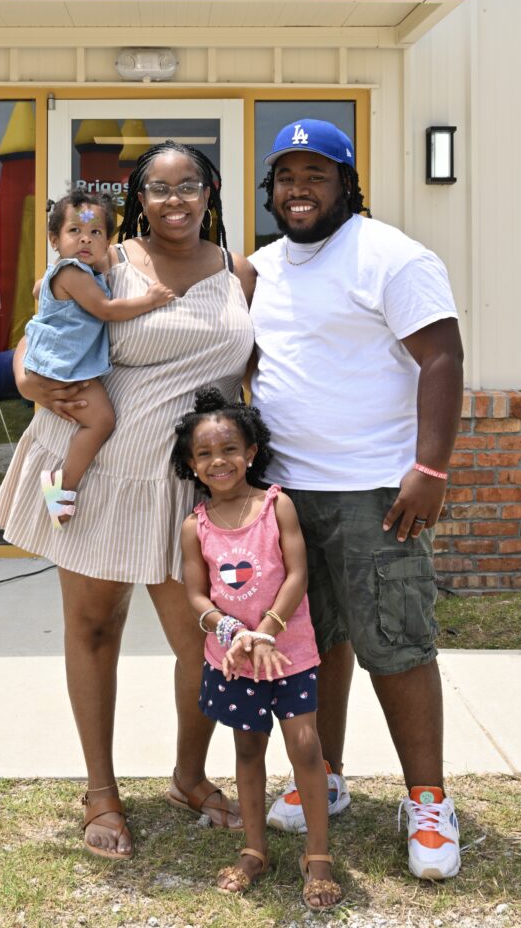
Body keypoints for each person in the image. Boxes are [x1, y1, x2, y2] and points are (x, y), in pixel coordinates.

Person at [0, 141, 255, 859]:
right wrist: (26, 375)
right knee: (95, 627)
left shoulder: (240, 273)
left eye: (188, 185)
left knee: (203, 643)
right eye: (158, 188)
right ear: (139, 198)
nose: (174, 200)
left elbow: (262, 370)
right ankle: (100, 792)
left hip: (187, 488)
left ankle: (189, 777)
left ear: (209, 193)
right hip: (103, 474)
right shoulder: (108, 260)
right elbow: (44, 326)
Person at [249, 118, 465, 882]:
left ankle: (428, 802)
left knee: (396, 644)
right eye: (286, 176)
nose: (299, 189)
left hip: (375, 491)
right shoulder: (261, 268)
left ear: (347, 184)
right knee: (316, 643)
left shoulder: (390, 255)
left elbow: (441, 356)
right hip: (287, 492)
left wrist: (430, 469)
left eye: (316, 175)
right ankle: (326, 775)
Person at [177, 387, 342, 911]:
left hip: (288, 653)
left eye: (229, 449)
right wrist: (233, 632)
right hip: (233, 660)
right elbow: (196, 595)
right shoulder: (195, 526)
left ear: (251, 452)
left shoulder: (276, 506)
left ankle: (318, 856)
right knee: (248, 748)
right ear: (191, 464)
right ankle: (254, 850)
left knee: (306, 747)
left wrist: (267, 629)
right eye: (205, 453)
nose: (218, 460)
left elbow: (296, 574)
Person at [23, 190, 174, 524]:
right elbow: (105, 310)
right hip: (64, 367)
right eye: (74, 231)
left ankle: (63, 482)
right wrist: (150, 300)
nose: (85, 239)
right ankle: (63, 484)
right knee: (101, 421)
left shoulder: (71, 272)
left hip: (61, 362)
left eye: (95, 232)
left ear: (107, 243)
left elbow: (37, 289)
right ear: (54, 240)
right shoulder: (73, 273)